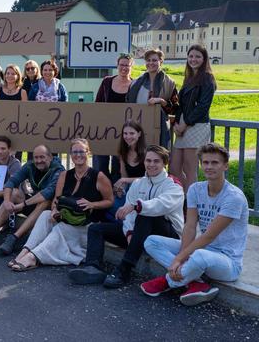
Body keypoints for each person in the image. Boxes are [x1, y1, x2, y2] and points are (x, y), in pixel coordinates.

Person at [142, 143, 248, 306]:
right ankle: (195, 282)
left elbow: (209, 235)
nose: (209, 167)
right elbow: (190, 226)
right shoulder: (195, 189)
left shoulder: (233, 197)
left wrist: (180, 258)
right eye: (205, 162)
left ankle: (168, 281)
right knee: (151, 241)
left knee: (199, 256)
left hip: (227, 261)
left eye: (215, 163)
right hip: (202, 250)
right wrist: (183, 257)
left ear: (225, 166)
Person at [69, 145, 184, 288]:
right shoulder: (138, 183)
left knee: (144, 215)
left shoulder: (173, 185)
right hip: (139, 234)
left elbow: (160, 205)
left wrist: (137, 206)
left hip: (167, 237)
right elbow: (129, 215)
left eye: (156, 161)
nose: (151, 165)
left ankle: (124, 270)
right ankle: (92, 268)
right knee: (96, 229)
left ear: (164, 163)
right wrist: (129, 232)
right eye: (148, 161)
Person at [10, 139, 113, 271]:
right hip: (67, 219)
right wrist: (54, 210)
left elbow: (110, 201)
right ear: (71, 154)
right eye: (75, 152)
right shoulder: (65, 175)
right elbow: (56, 200)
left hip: (86, 226)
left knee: (62, 228)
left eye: (81, 151)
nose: (78, 155)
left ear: (88, 153)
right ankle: (25, 251)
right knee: (45, 215)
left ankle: (33, 257)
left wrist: (92, 204)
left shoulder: (99, 176)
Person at [0, 144, 64, 256]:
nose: (39, 160)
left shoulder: (59, 170)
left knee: (44, 201)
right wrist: (6, 201)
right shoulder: (30, 165)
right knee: (14, 192)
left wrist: (22, 205)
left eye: (42, 157)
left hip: (51, 209)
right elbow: (11, 182)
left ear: (50, 157)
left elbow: (47, 193)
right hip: (33, 203)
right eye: (36, 157)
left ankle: (14, 237)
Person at [170, 44, 217, 192]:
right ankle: (185, 198)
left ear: (204, 59)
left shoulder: (207, 79)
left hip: (196, 126)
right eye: (191, 56)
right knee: (174, 168)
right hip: (183, 125)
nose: (193, 59)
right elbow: (182, 105)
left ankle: (191, 206)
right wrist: (177, 123)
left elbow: (203, 106)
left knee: (190, 170)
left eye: (197, 56)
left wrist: (185, 124)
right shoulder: (190, 77)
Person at [126, 49, 178, 149]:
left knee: (157, 157)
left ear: (161, 62)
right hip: (138, 126)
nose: (151, 63)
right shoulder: (135, 83)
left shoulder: (170, 83)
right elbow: (128, 105)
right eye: (148, 60)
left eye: (154, 60)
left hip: (159, 128)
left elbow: (175, 108)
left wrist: (161, 101)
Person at [93, 54, 133, 181]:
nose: (124, 68)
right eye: (122, 64)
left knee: (118, 168)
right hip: (103, 132)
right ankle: (101, 194)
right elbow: (97, 104)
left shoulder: (135, 85)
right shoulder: (106, 82)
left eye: (127, 65)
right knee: (100, 166)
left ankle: (116, 196)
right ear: (117, 65)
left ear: (131, 66)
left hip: (124, 134)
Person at [107, 121, 147, 222]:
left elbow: (149, 179)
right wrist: (120, 189)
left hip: (144, 191)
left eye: (132, 133)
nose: (128, 136)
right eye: (125, 133)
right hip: (129, 190)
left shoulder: (147, 153)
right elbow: (124, 177)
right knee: (108, 206)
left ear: (139, 134)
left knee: (122, 212)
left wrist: (125, 180)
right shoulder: (123, 152)